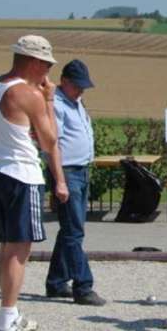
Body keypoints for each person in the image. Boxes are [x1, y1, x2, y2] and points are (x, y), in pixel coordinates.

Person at [0, 34, 69, 331]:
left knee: (7, 248)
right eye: (45, 65)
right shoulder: (27, 94)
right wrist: (49, 100)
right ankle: (5, 325)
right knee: (19, 251)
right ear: (32, 61)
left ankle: (11, 315)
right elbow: (50, 140)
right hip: (21, 175)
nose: (47, 72)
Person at [45, 59, 106, 306]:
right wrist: (59, 180)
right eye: (78, 86)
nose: (82, 90)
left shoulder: (76, 102)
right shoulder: (55, 105)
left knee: (71, 228)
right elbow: (51, 144)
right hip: (67, 171)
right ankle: (83, 286)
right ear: (64, 82)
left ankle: (57, 282)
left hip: (81, 170)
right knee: (74, 231)